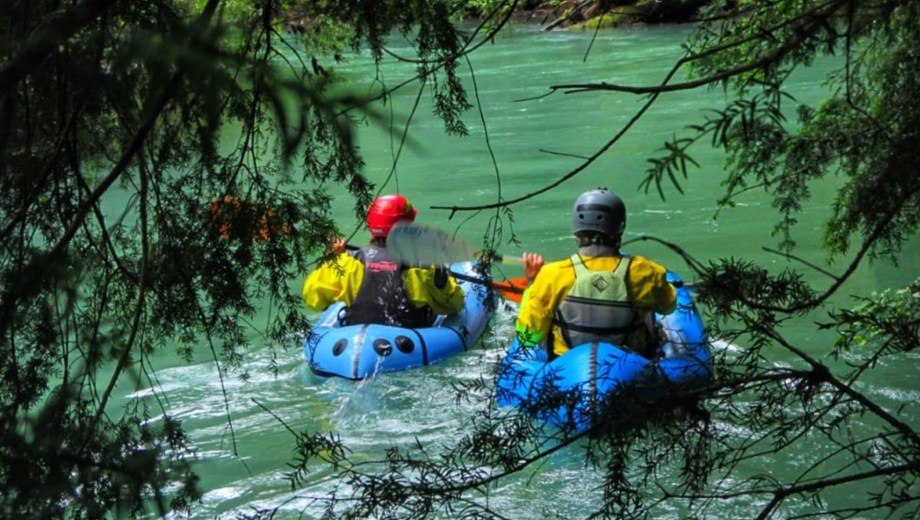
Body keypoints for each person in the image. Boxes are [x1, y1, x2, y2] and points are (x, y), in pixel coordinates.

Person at [515, 188, 677, 359]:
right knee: (648, 311)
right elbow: (668, 307)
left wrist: (532, 281)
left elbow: (529, 336)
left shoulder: (551, 274)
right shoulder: (646, 272)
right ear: (620, 227)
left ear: (576, 231)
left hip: (569, 370)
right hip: (627, 368)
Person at [303, 194, 465, 328]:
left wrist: (332, 258)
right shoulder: (422, 266)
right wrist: (442, 275)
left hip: (357, 338)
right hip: (408, 342)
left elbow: (312, 297)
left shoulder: (347, 262)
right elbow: (454, 305)